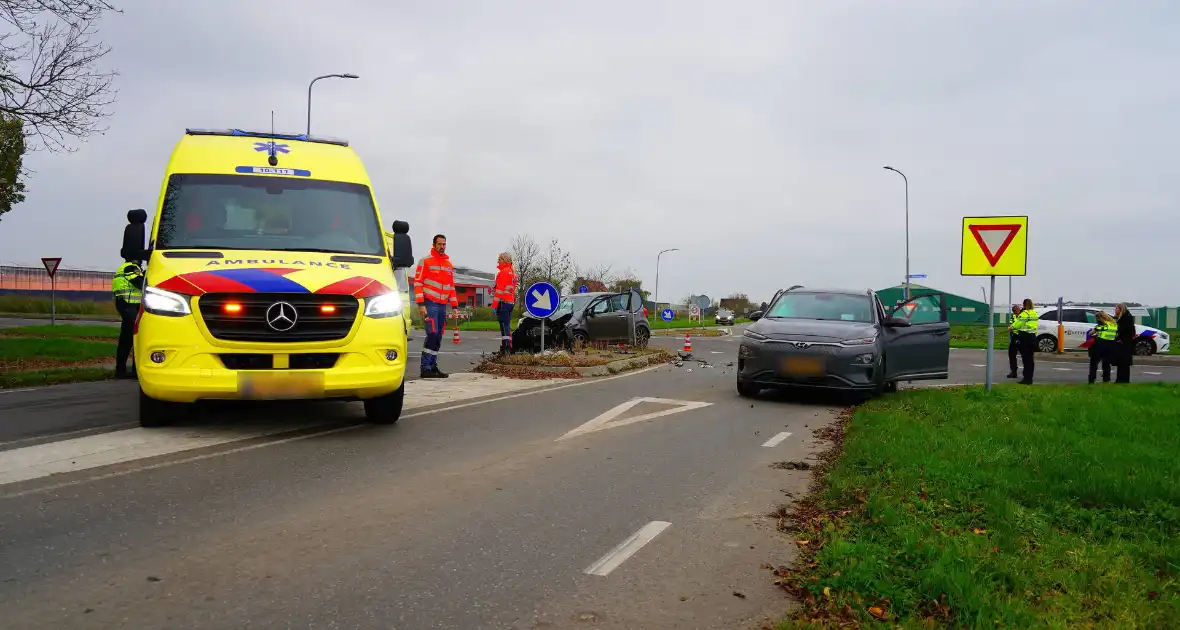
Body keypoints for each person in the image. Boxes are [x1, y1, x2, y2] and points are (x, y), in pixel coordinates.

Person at [413, 234, 459, 378]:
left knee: (438, 336)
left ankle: (432, 366)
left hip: (442, 306)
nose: (442, 246)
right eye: (439, 244)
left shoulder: (449, 265)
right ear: (434, 245)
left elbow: (451, 287)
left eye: (444, 244)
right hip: (430, 303)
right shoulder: (425, 261)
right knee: (432, 334)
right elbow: (418, 283)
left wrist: (455, 306)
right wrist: (421, 304)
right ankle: (425, 367)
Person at [111, 258, 144, 379]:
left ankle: (121, 371)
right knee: (136, 338)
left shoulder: (125, 267)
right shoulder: (130, 268)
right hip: (129, 306)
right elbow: (140, 283)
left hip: (127, 306)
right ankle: (135, 372)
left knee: (126, 339)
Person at [490, 252, 517, 355]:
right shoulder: (513, 273)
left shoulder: (503, 272)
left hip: (503, 303)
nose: (498, 261)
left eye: (499, 259)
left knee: (504, 326)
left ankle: (505, 350)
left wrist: (494, 306)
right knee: (507, 325)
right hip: (510, 302)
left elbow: (499, 291)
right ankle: (508, 347)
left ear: (504, 260)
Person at [1012, 298, 1039, 384]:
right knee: (1030, 359)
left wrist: (1011, 327)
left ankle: (1026, 379)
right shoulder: (1034, 313)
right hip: (1032, 337)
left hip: (1025, 337)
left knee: (1025, 358)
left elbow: (1018, 324)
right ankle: (1029, 378)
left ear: (1024, 305)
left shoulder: (1024, 313)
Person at [1087, 310, 1117, 384]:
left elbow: (1091, 333)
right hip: (1110, 345)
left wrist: (1093, 331)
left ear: (1100, 317)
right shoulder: (1114, 325)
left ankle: (1092, 379)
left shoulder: (1101, 325)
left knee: (1094, 363)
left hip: (1100, 344)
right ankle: (1106, 379)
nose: (1097, 320)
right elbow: (1115, 335)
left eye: (1097, 318)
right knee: (1106, 363)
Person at [1114, 302, 1136, 383]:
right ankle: (1120, 379)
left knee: (1123, 363)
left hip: (1124, 343)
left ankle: (1123, 380)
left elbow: (1123, 330)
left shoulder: (1125, 317)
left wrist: (1119, 338)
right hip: (1124, 342)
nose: (1115, 310)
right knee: (1121, 363)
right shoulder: (1125, 316)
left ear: (1121, 309)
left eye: (1116, 308)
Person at [1005, 304, 1021, 378]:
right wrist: (1010, 327)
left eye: (1015, 311)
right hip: (1014, 337)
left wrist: (1012, 327)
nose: (1015, 312)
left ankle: (1027, 373)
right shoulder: (1013, 316)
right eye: (1014, 311)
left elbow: (1019, 325)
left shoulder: (1023, 316)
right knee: (1011, 354)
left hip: (1022, 337)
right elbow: (1011, 324)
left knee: (1025, 355)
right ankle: (1013, 371)